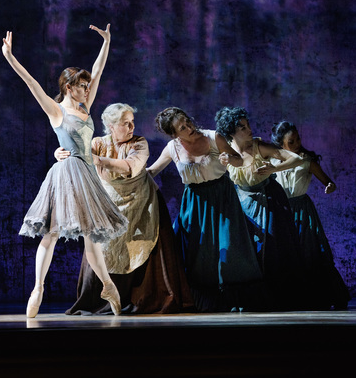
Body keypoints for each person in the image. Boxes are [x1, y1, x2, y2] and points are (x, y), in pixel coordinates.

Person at [1, 25, 128, 318]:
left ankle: (107, 285)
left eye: (87, 86)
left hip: (87, 174)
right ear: (68, 87)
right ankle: (38, 288)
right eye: (82, 86)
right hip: (66, 173)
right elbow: (31, 83)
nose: (87, 88)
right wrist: (10, 57)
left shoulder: (86, 107)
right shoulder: (57, 110)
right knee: (52, 233)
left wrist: (106, 42)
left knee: (91, 236)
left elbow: (98, 71)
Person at [54, 103, 194, 314]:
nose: (131, 127)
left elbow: (132, 167)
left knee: (144, 246)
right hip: (108, 204)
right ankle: (104, 298)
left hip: (143, 203)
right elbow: (75, 154)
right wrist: (60, 153)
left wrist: (100, 160)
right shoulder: (97, 143)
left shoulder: (139, 143)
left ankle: (143, 297)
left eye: (132, 122)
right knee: (103, 249)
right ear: (111, 126)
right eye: (125, 123)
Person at [147, 107, 267, 312]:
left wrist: (229, 160)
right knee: (198, 255)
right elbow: (152, 171)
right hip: (194, 203)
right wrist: (128, 177)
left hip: (221, 197)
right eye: (182, 127)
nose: (189, 127)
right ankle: (200, 302)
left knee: (228, 249)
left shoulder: (213, 137)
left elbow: (239, 159)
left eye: (187, 121)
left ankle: (233, 299)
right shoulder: (172, 148)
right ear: (174, 134)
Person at [215, 106, 308, 310]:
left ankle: (274, 296)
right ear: (231, 132)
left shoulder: (259, 146)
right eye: (242, 128)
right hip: (242, 203)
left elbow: (296, 158)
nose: (249, 130)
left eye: (248, 125)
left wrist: (275, 167)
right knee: (244, 249)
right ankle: (249, 297)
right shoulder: (226, 150)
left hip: (268, 199)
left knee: (271, 246)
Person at [271, 120, 351, 310]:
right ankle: (292, 298)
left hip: (301, 211)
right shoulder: (272, 161)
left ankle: (322, 295)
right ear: (281, 143)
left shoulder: (306, 160)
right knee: (286, 255)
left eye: (298, 139)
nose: (297, 143)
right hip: (282, 211)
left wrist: (330, 187)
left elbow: (328, 182)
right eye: (292, 141)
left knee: (310, 252)